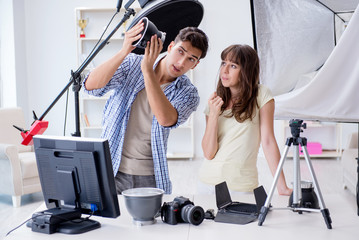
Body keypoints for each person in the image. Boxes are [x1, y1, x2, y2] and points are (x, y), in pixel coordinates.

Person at [83, 20, 209, 194]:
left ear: (195, 64)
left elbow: (166, 119)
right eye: (180, 51)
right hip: (112, 169)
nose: (181, 63)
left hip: (150, 176)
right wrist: (124, 50)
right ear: (171, 46)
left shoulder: (188, 93)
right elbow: (91, 87)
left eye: (190, 59)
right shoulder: (132, 64)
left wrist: (148, 71)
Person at [198, 44, 292, 196]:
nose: (225, 70)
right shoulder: (214, 101)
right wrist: (214, 115)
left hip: (241, 186)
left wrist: (282, 187)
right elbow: (209, 153)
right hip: (207, 184)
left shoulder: (261, 94)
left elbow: (268, 141)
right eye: (223, 63)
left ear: (246, 70)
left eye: (233, 66)